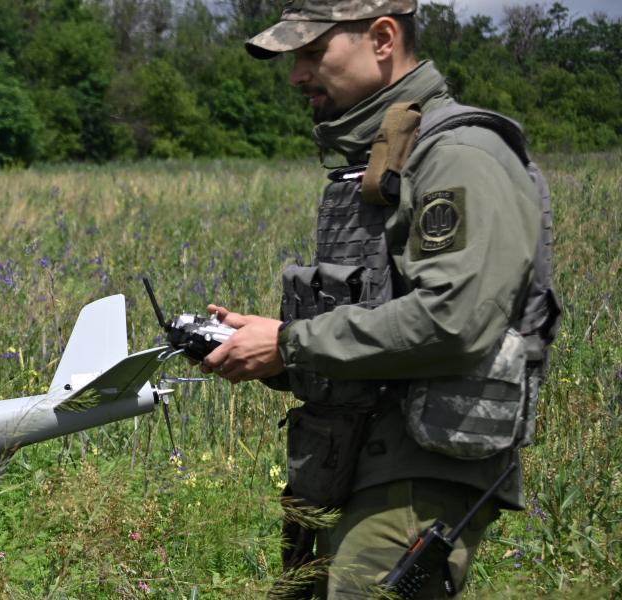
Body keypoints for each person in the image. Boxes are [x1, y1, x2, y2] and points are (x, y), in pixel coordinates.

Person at [198, 1, 559, 597]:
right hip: (359, 461)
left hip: (419, 471)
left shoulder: (458, 155)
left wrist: (291, 345)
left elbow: (456, 320)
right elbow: (386, 315)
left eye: (314, 53)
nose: (297, 76)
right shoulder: (391, 154)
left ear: (384, 39)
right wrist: (265, 345)